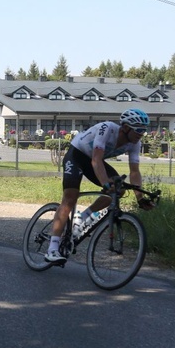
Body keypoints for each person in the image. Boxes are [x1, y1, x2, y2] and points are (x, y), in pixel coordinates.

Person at [45, 108, 156, 263]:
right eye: (138, 129)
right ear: (125, 127)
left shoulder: (134, 144)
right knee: (70, 199)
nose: (141, 134)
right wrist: (105, 183)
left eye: (144, 130)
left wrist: (140, 198)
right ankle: (52, 248)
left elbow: (135, 172)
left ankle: (82, 217)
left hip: (93, 162)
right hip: (76, 156)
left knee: (120, 190)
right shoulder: (107, 128)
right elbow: (96, 160)